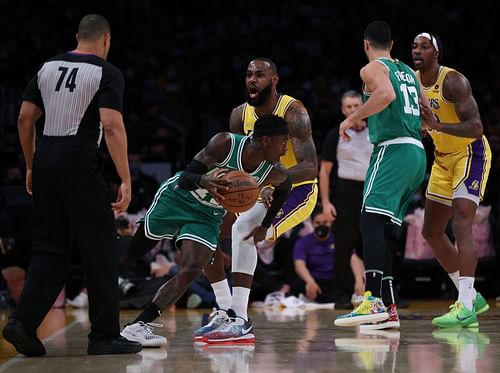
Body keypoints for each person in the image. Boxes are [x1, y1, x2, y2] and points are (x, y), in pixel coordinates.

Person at [1, 15, 142, 356]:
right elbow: (111, 126)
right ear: (106, 39)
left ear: (77, 36)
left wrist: (32, 164)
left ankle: (22, 322)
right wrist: (125, 178)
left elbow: (23, 118)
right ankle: (104, 335)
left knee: (50, 249)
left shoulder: (47, 66)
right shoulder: (107, 73)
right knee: (101, 248)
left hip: (46, 157)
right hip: (78, 161)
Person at [120, 114, 292, 346]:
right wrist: (204, 180)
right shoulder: (225, 144)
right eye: (283, 142)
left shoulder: (273, 171)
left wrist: (264, 225)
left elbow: (286, 186)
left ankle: (138, 326)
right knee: (134, 252)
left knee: (192, 268)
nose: (285, 149)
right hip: (178, 199)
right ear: (266, 140)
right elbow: (186, 178)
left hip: (206, 215)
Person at [198, 57, 318, 343]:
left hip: (296, 189)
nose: (253, 79)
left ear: (274, 80)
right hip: (255, 189)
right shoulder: (239, 115)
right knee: (203, 224)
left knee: (243, 231)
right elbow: (237, 162)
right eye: (249, 74)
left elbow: (310, 165)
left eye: (260, 75)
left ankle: (240, 319)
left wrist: (265, 181)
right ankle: (225, 309)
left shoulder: (294, 112)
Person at [334, 21, 428, 330]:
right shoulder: (410, 73)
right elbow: (427, 115)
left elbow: (385, 95)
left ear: (366, 44)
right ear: (393, 43)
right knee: (381, 229)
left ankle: (371, 299)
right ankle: (388, 308)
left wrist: (352, 119)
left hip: (393, 150)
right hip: (416, 152)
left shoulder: (373, 68)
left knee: (369, 222)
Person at [413, 32, 492, 328]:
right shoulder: (412, 81)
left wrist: (436, 125)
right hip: (443, 159)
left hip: (470, 154)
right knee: (431, 231)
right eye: (415, 46)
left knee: (461, 222)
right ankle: (470, 296)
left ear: (437, 54)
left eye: (424, 47)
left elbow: (475, 127)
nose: (417, 51)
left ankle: (467, 304)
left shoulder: (453, 81)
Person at [319, 90, 372, 308]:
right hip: (345, 192)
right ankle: (341, 294)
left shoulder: (376, 131)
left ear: (364, 106)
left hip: (371, 190)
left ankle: (380, 293)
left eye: (356, 105)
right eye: (348, 107)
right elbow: (324, 171)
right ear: (343, 110)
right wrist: (325, 202)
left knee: (374, 242)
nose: (352, 109)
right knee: (343, 245)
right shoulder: (335, 134)